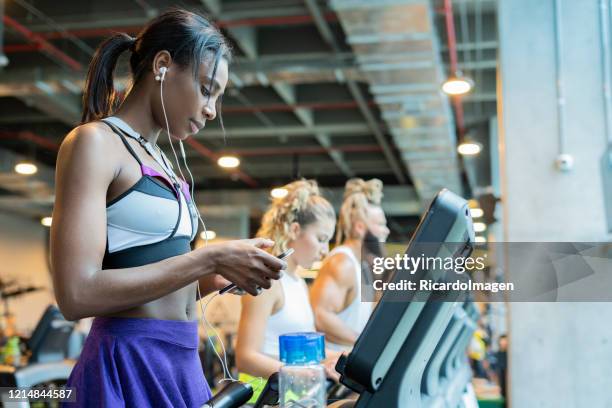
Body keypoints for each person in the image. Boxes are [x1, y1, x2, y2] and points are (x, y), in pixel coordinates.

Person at [50, 9, 285, 407]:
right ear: (162, 66)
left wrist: (229, 269)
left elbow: (164, 285)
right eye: (207, 89)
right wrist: (209, 259)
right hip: (128, 363)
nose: (212, 110)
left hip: (180, 362)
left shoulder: (163, 162)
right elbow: (76, 294)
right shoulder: (95, 143)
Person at [235, 179, 339, 402]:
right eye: (321, 239)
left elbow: (302, 352)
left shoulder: (298, 282)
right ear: (294, 230)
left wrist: (339, 358)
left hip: (294, 395)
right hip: (264, 398)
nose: (324, 250)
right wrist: (306, 374)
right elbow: (245, 357)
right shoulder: (267, 281)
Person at [310, 178, 390, 351]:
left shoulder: (362, 266)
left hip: (349, 368)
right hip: (333, 369)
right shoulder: (342, 262)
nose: (387, 230)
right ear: (360, 227)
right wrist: (363, 343)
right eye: (381, 224)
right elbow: (320, 316)